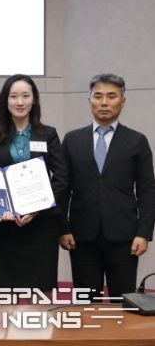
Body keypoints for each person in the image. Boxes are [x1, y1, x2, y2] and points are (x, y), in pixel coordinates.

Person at [61, 74, 155, 300]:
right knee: (85, 303)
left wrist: (143, 233)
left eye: (111, 96)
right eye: (98, 96)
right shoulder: (72, 140)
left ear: (123, 101)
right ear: (89, 100)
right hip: (81, 236)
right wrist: (62, 228)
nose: (104, 102)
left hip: (125, 236)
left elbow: (147, 190)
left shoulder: (137, 141)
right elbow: (62, 188)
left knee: (124, 302)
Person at [0, 74, 69, 291]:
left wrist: (37, 209)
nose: (19, 102)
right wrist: (2, 209)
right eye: (13, 96)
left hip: (41, 226)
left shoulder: (48, 134)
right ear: (6, 100)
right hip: (6, 227)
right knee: (7, 292)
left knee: (41, 292)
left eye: (25, 96)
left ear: (34, 99)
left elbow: (61, 177)